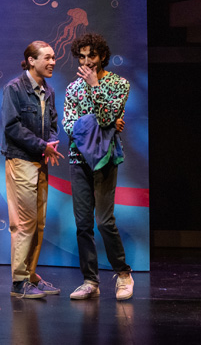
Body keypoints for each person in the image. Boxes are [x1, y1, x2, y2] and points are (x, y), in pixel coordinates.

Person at [62, 32, 134, 301]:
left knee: (104, 221)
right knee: (83, 224)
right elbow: (69, 126)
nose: (86, 61)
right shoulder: (72, 88)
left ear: (102, 56)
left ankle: (123, 274)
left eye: (91, 56)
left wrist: (95, 88)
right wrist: (106, 124)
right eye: (81, 57)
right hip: (78, 159)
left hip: (105, 158)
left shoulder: (119, 84)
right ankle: (90, 281)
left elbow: (106, 117)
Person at [1, 41, 65, 299]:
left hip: (40, 162)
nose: (52, 62)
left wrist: (51, 143)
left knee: (38, 223)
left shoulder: (48, 91)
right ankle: (19, 281)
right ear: (31, 60)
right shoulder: (14, 89)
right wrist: (42, 146)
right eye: (47, 58)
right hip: (21, 161)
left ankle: (30, 275)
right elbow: (12, 127)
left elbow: (53, 123)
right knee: (24, 223)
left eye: (53, 58)